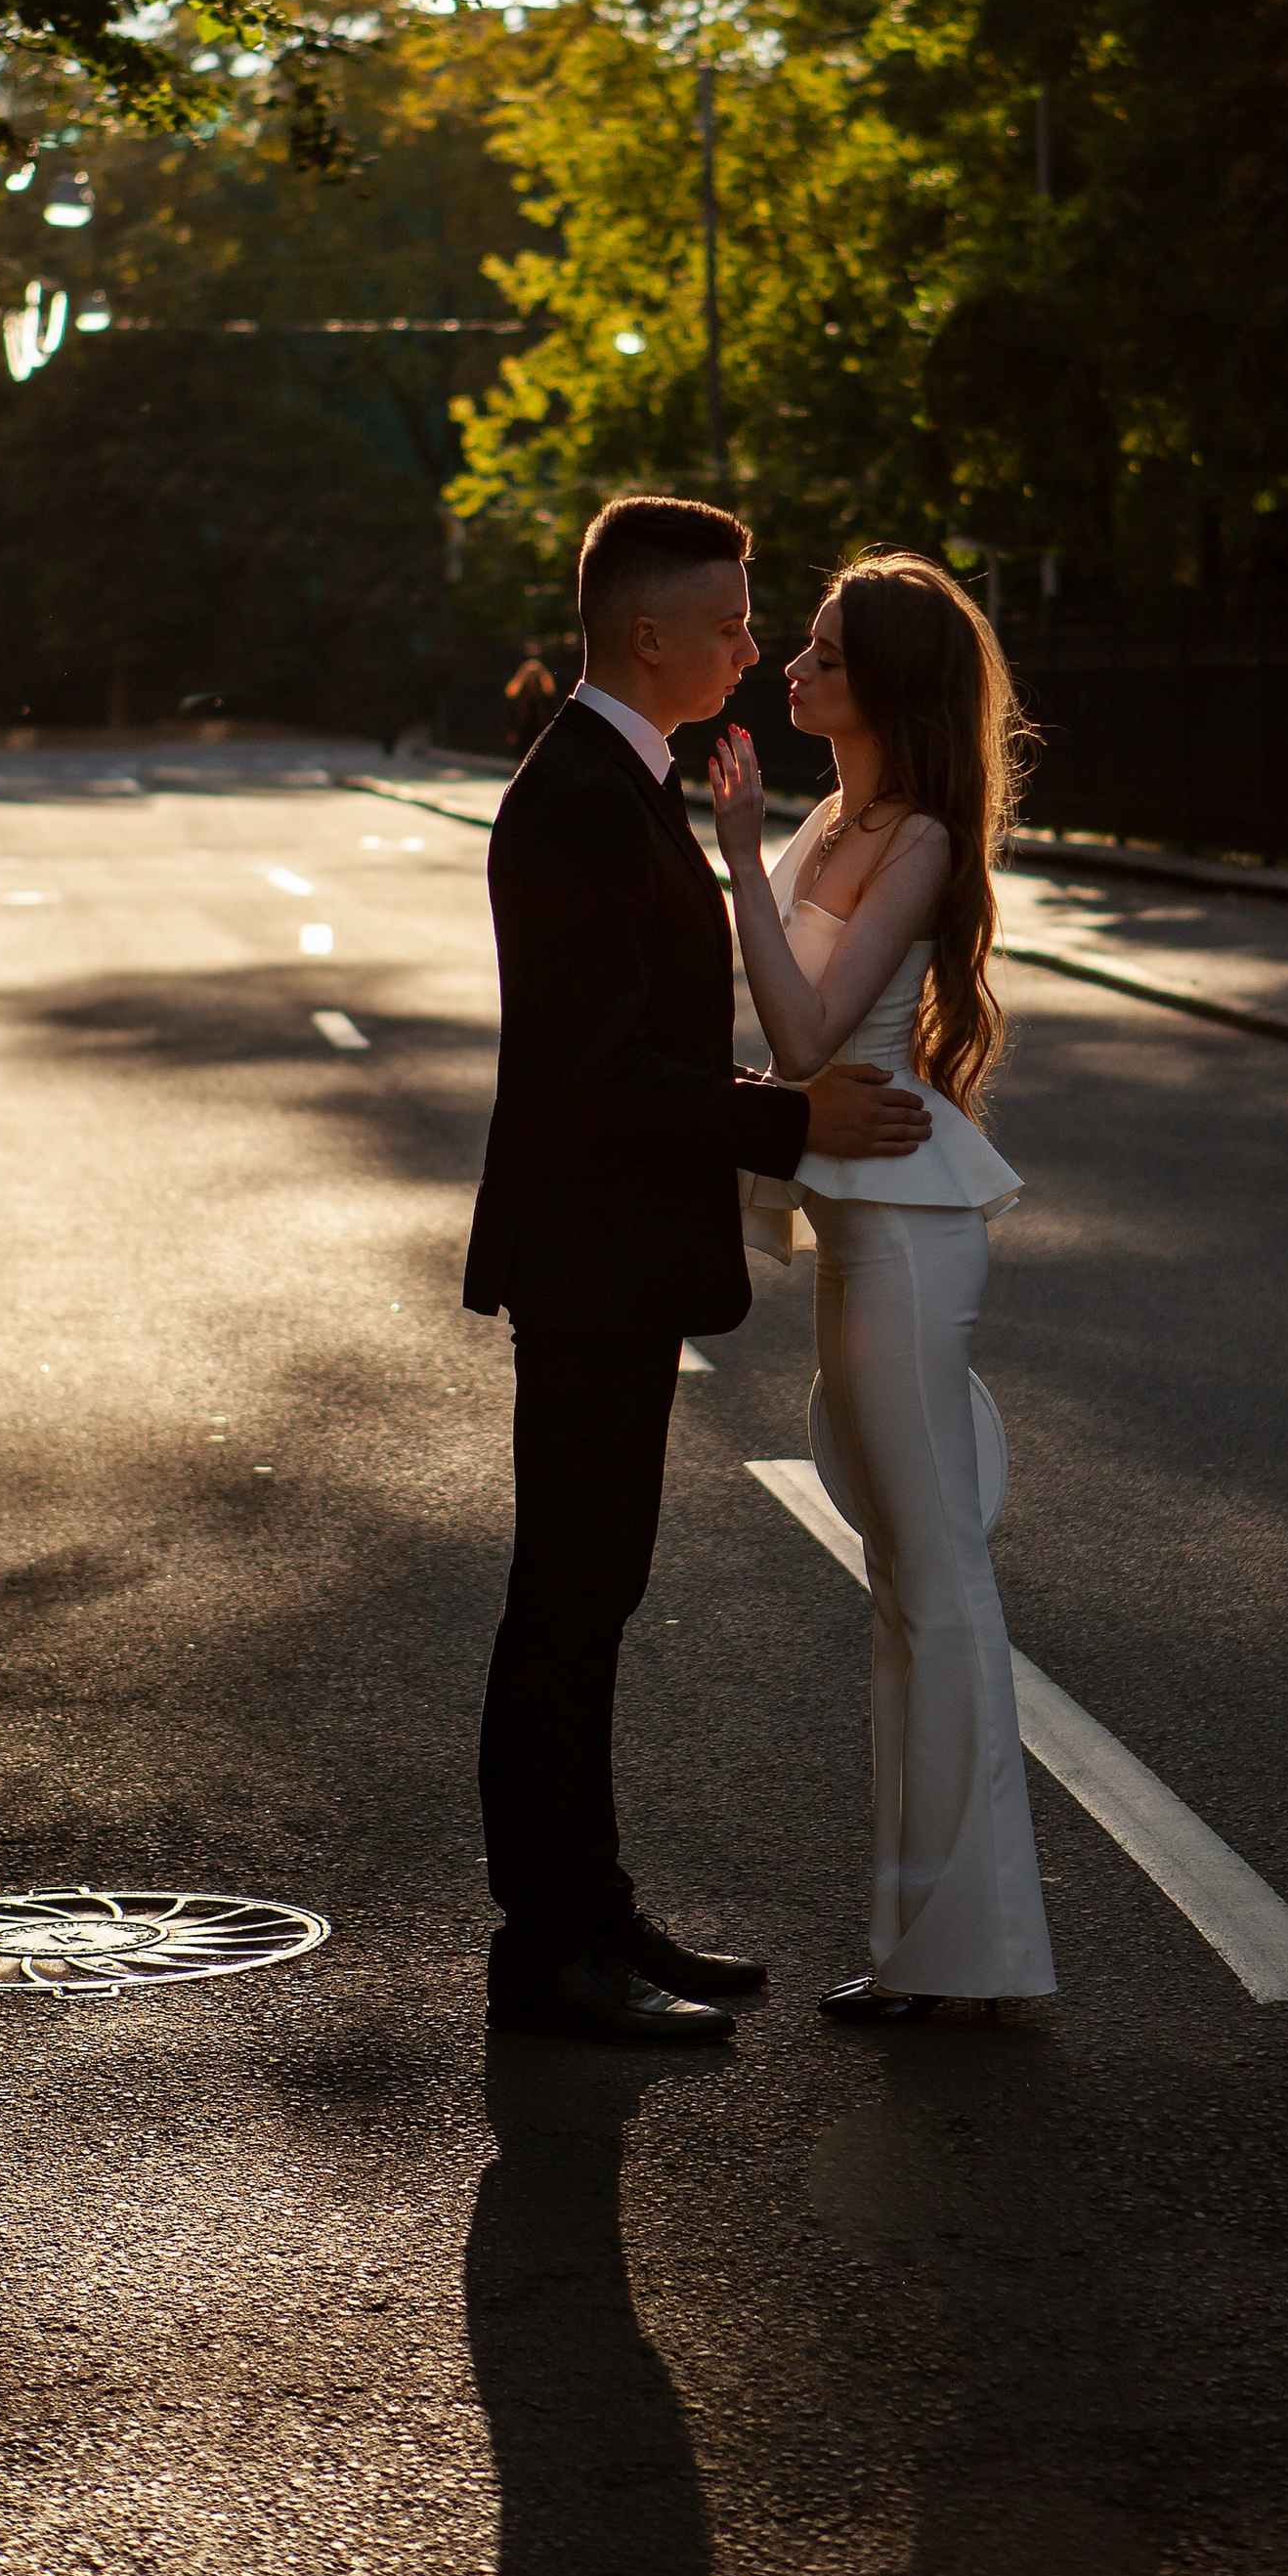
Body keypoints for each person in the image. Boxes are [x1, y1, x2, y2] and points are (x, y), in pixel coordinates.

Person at [465, 494, 933, 2043]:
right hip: (590, 1257)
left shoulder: (619, 775)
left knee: (593, 1593)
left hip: (615, 1257)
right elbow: (600, 1077)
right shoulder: (584, 799)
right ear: (650, 635)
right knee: (569, 1597)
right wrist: (789, 1119)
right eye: (734, 623)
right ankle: (552, 1949)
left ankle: (594, 1916)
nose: (753, 643)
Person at [708, 554, 1056, 2025]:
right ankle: (923, 1947)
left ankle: (966, 1958)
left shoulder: (911, 838)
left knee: (938, 1578)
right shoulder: (835, 818)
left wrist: (733, 852)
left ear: (892, 691)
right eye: (802, 647)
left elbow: (799, 1041)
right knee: (905, 1583)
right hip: (856, 1227)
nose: (791, 669)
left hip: (909, 1230)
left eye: (826, 657)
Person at [502, 653, 556, 760]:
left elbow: (552, 714)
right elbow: (513, 715)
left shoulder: (545, 696)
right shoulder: (519, 695)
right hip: (524, 732)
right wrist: (512, 731)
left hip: (540, 731)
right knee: (523, 758)